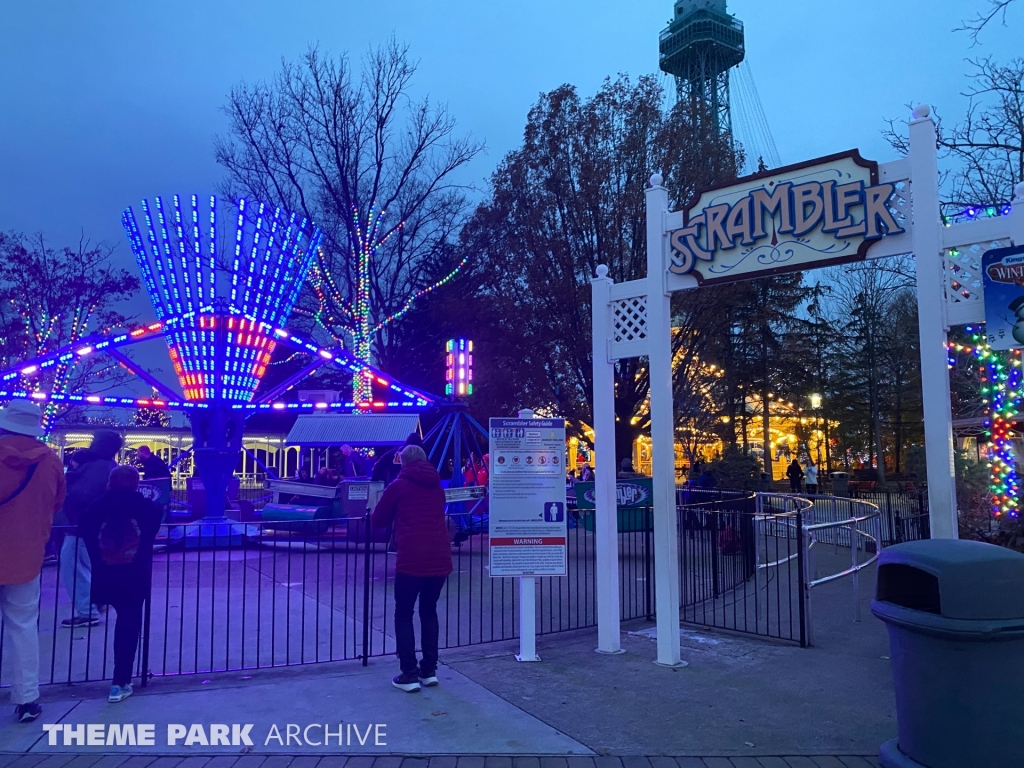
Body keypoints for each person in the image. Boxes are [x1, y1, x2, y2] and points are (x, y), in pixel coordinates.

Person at [0, 401, 66, 723]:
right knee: (24, 627)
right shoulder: (50, 461)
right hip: (26, 555)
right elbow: (56, 503)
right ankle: (27, 699)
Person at [370, 444, 452, 693]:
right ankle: (429, 670)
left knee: (403, 613)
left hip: (412, 557)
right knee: (429, 611)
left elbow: (378, 520)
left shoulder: (398, 486)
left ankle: (409, 673)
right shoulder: (437, 487)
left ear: (403, 462)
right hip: (440, 557)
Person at [77, 466, 161, 703]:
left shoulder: (96, 508)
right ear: (136, 484)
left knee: (123, 622)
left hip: (105, 574)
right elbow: (153, 524)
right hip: (135, 575)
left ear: (109, 483)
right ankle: (120, 681)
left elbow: (83, 525)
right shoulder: (147, 508)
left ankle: (120, 680)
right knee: (128, 625)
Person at [58, 429, 122, 628]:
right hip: (92, 524)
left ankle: (87, 610)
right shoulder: (107, 465)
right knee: (86, 565)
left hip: (79, 524)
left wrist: (71, 480)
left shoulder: (97, 467)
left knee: (73, 566)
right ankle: (97, 598)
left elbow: (80, 495)